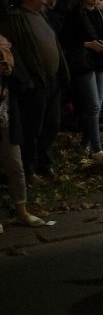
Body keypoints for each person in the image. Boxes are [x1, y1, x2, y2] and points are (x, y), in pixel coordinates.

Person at [0, 0, 70, 183]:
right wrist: (24, 78)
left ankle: (45, 164)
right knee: (32, 128)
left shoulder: (42, 15)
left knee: (51, 124)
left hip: (51, 80)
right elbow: (12, 51)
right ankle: (28, 170)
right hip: (33, 83)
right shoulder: (14, 18)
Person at [61, 0, 103, 162]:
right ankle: (97, 148)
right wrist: (88, 44)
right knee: (93, 105)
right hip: (85, 62)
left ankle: (85, 143)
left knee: (96, 106)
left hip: (100, 62)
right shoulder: (75, 15)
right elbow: (66, 41)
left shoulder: (99, 13)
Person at [0, 34, 46, 233]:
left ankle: (22, 210)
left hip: (6, 115)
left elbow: (21, 79)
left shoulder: (7, 44)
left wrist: (10, 72)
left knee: (15, 165)